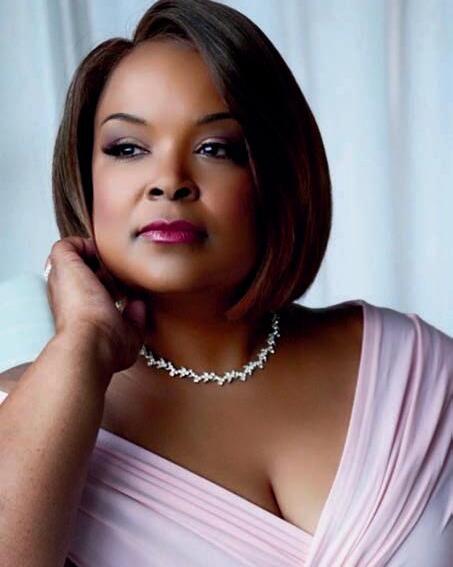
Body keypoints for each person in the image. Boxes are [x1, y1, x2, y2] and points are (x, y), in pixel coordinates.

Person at [0, 0, 451, 565]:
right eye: (128, 149)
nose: (168, 181)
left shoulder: (414, 370)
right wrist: (82, 344)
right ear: (86, 180)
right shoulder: (25, 415)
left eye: (215, 149)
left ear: (277, 175)